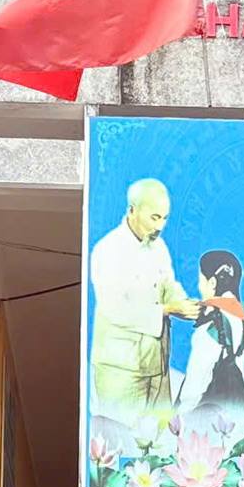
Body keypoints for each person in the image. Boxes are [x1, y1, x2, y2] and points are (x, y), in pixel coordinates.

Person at [88, 177, 201, 450]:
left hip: (156, 364)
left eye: (165, 218)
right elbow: (114, 308)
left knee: (161, 448)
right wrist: (168, 309)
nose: (160, 226)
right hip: (121, 370)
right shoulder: (108, 250)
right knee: (123, 446)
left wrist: (184, 303)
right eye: (154, 217)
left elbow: (168, 284)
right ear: (132, 210)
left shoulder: (158, 247)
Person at [174, 249, 244, 432]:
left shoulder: (211, 325)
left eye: (201, 280)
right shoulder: (240, 318)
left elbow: (194, 386)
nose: (199, 286)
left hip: (207, 423)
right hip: (234, 418)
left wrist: (178, 417)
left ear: (212, 282)